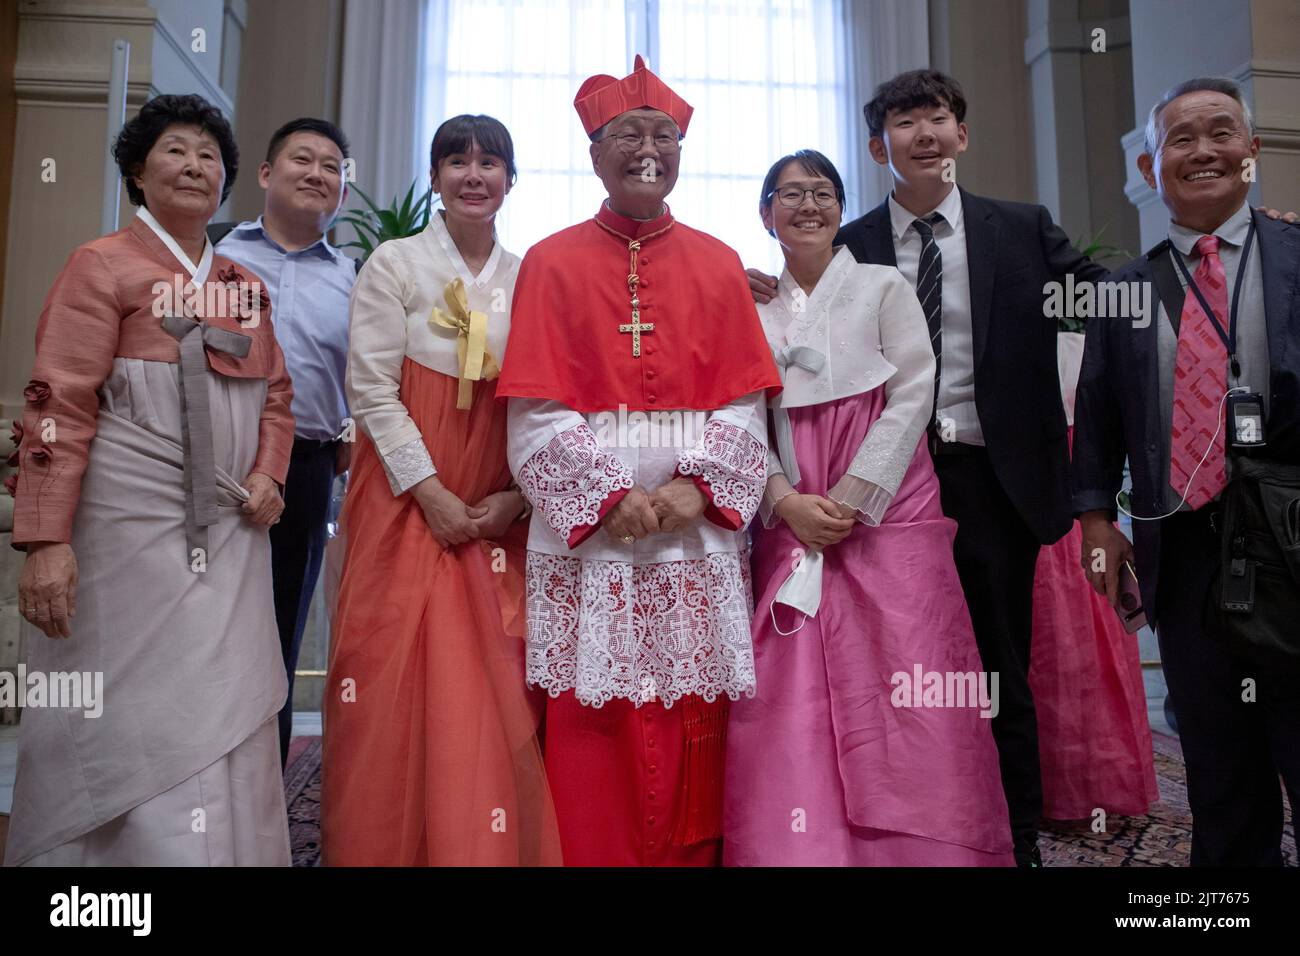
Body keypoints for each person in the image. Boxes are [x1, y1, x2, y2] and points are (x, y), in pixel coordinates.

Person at [749, 70, 1108, 865]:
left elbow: (1103, 296)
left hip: (989, 477)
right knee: (893, 669)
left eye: (937, 118)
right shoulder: (854, 241)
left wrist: (1173, 280)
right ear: (879, 146)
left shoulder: (1019, 227)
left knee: (994, 672)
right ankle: (890, 827)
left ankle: (1007, 837)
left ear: (961, 134)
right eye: (903, 122)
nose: (923, 134)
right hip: (876, 486)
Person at [497, 55, 781, 867]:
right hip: (593, 536)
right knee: (593, 711)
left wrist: (700, 489)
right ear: (594, 152)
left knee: (694, 706)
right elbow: (536, 406)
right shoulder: (550, 261)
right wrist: (605, 495)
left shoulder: (720, 260)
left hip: (696, 532)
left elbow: (743, 401)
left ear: (682, 153)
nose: (648, 147)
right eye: (628, 133)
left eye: (664, 134)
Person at [4, 93, 293, 866]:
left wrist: (269, 474)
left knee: (225, 702)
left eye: (209, 154)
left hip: (233, 536)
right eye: (175, 149)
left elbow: (278, 398)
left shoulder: (243, 282)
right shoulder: (99, 265)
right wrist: (44, 540)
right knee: (137, 708)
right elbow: (56, 403)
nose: (195, 164)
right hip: (125, 533)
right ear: (136, 168)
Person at [724, 150, 1013, 866]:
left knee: (907, 679)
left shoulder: (883, 286)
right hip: (791, 516)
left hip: (887, 514)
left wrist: (854, 497)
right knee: (791, 686)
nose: (808, 206)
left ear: (841, 208)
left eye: (822, 193)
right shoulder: (747, 308)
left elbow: (915, 390)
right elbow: (733, 419)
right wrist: (785, 502)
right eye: (790, 195)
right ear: (766, 214)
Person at [321, 114, 561, 866]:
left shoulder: (533, 277)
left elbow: (552, 401)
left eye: (491, 162)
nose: (474, 175)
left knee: (489, 689)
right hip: (405, 502)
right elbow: (371, 391)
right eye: (456, 161)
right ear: (434, 178)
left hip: (500, 512)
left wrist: (517, 498)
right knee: (390, 673)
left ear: (511, 180)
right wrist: (430, 494)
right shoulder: (394, 263)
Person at [1074, 77, 1300, 865]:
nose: (1203, 150)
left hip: (1293, 546)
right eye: (1181, 138)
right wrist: (1098, 520)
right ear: (1149, 164)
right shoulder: (1123, 291)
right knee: (1219, 769)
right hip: (1188, 556)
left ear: (1253, 153)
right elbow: (1098, 419)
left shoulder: (1296, 254)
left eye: (1221, 133)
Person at [214, 117, 355, 768]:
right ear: (266, 175)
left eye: (331, 166)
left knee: (277, 628)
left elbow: (369, 379)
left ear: (342, 194)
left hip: (307, 465)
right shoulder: (215, 257)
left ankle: (261, 788)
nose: (316, 173)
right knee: (203, 622)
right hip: (218, 460)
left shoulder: (356, 279)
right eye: (302, 159)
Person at [1028, 331, 1158, 822]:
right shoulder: (1076, 348)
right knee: (1065, 644)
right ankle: (1079, 783)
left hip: (1075, 516)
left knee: (1067, 643)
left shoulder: (1079, 349)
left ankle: (1077, 784)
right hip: (1070, 513)